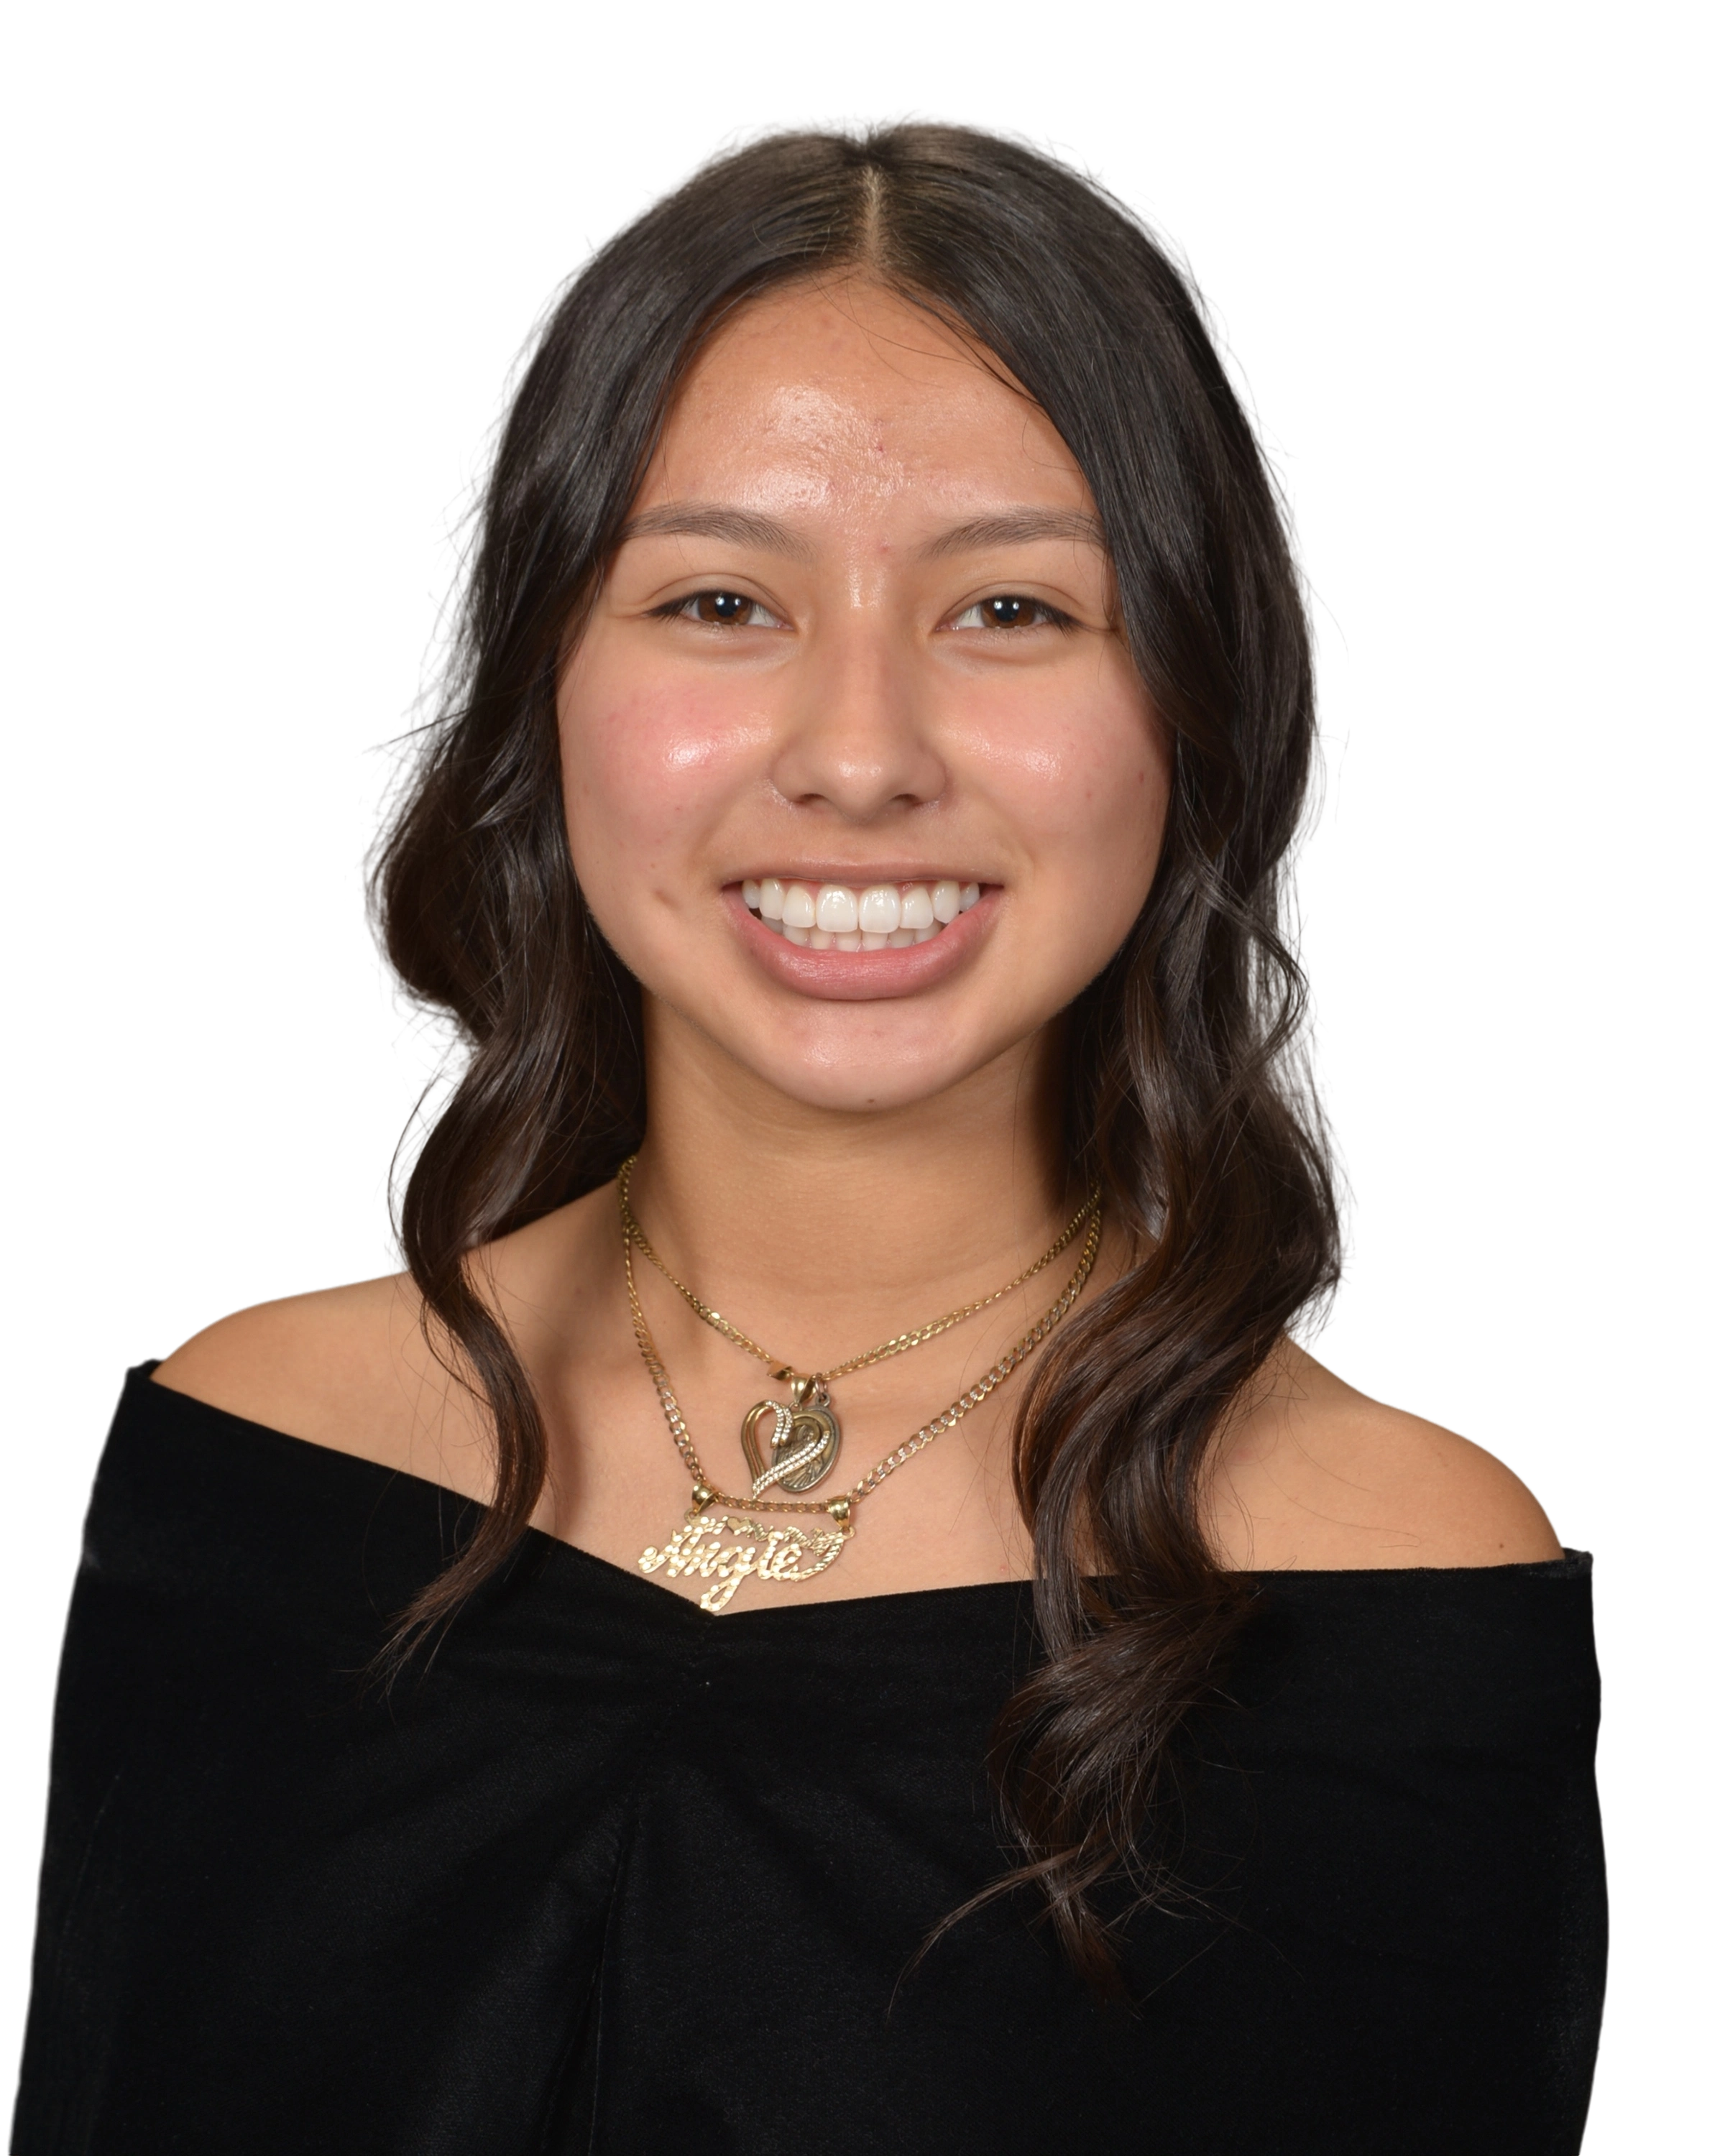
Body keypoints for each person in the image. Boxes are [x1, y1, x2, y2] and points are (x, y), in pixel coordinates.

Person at [17, 109, 1607, 2153]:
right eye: (718, 601)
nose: (860, 757)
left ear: (1197, 714)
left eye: (1012, 611)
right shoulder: (252, 1458)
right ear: (540, 688)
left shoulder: (1389, 1584)